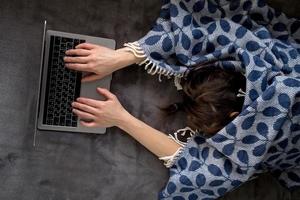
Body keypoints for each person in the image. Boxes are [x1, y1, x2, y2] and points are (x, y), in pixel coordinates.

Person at [64, 0, 300, 199]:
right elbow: (203, 34)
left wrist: (121, 118)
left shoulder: (255, 140)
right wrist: (119, 57)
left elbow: (208, 173)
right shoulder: (251, 50)